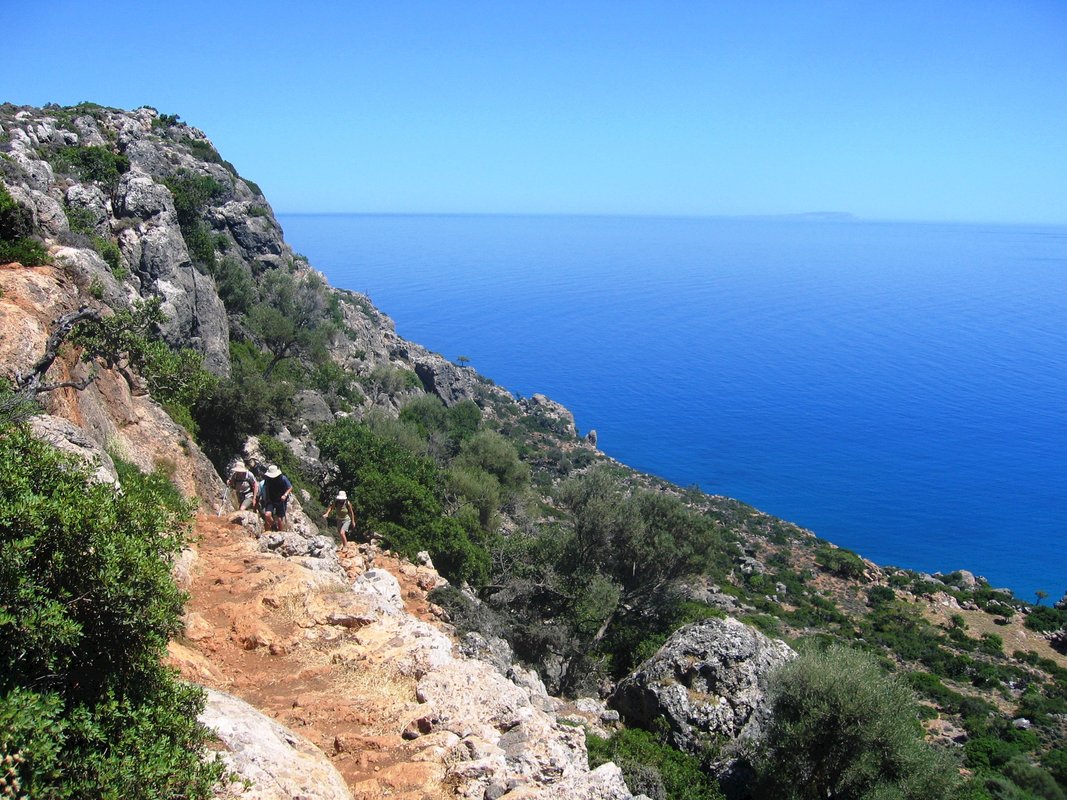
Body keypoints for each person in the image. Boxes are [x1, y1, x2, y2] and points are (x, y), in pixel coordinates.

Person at [260, 464, 292, 532]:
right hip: (271, 499)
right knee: (267, 515)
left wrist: (285, 495)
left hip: (281, 500)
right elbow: (266, 488)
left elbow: (290, 487)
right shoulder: (267, 479)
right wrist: (267, 498)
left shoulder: (283, 478)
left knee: (280, 519)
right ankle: (274, 526)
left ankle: (280, 532)